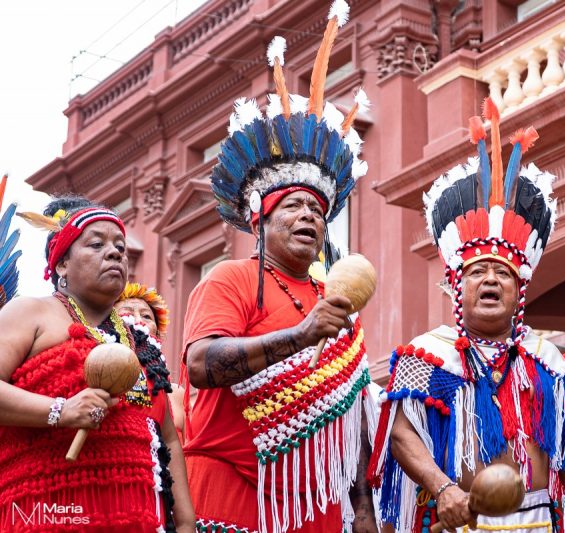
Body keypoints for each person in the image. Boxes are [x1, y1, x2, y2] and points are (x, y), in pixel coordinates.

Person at [181, 2, 376, 531]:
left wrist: (363, 510)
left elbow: (350, 411)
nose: (310, 215)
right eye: (294, 205)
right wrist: (299, 336)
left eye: (318, 210)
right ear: (261, 220)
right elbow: (201, 365)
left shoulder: (334, 300)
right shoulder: (229, 278)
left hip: (317, 507)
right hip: (232, 494)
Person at [368, 98, 565, 533]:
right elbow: (398, 432)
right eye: (477, 272)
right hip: (457, 520)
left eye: (501, 273)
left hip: (539, 522)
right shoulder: (427, 355)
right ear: (459, 285)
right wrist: (442, 488)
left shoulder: (546, 359)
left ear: (518, 289)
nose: (490, 280)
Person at [0, 195, 194, 532]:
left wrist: (187, 524)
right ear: (62, 264)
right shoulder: (30, 312)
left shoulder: (143, 344)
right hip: (47, 511)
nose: (116, 252)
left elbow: (168, 439)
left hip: (138, 516)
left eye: (120, 245)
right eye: (96, 244)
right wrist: (60, 410)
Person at [115, 282, 189, 440]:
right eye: (125, 313)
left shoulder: (176, 394)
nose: (138, 321)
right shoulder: (96, 376)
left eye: (146, 316)